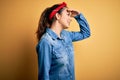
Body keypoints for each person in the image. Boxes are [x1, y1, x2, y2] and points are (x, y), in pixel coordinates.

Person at [36, 2, 91, 80]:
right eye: (68, 15)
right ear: (58, 16)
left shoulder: (67, 35)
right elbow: (44, 76)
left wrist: (78, 16)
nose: (70, 19)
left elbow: (86, 33)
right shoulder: (46, 42)